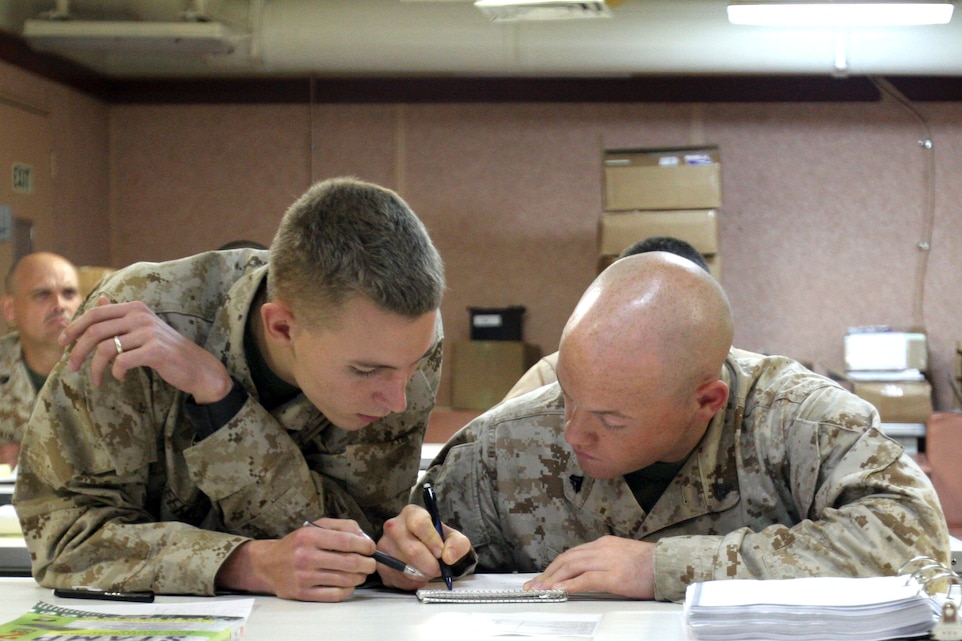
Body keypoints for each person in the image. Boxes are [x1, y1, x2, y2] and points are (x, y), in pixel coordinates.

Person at [380, 251, 949, 601]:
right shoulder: (502, 443)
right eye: (569, 397)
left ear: (706, 401)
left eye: (610, 419)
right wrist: (409, 558)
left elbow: (915, 543)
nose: (574, 432)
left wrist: (666, 568)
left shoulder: (801, 422)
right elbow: (415, 547)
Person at [14, 177, 452, 603]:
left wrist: (222, 402)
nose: (398, 399)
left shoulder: (399, 341)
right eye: (365, 371)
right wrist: (245, 563)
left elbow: (355, 541)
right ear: (281, 327)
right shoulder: (134, 322)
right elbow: (63, 538)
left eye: (412, 367)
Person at [501, 236, 710, 402]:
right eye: (637, 299)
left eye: (670, 302)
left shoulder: (737, 382)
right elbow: (489, 445)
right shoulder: (555, 374)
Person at [0, 252, 81, 468]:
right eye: (42, 295)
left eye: (69, 293)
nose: (59, 305)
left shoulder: (114, 364)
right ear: (10, 309)